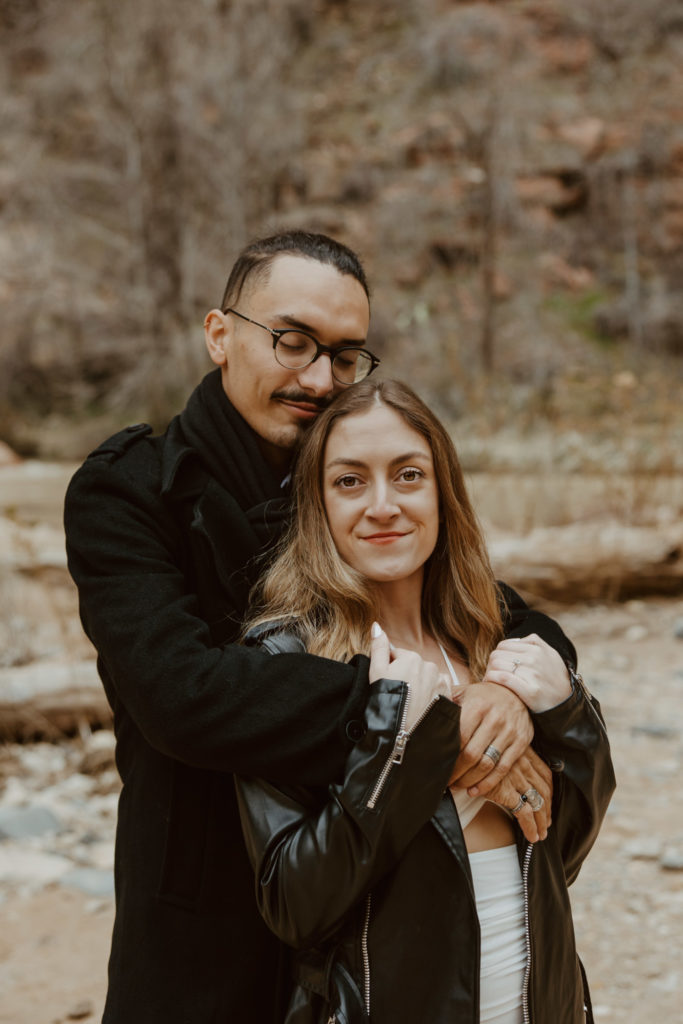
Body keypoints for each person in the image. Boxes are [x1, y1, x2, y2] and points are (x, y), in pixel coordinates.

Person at [64, 231, 577, 1022]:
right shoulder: (131, 490)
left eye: (344, 356)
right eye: (293, 341)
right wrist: (421, 718)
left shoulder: (339, 483)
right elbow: (181, 695)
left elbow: (493, 606)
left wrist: (507, 691)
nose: (317, 378)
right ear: (219, 334)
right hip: (206, 917)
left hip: (362, 899)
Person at [236, 379, 615, 1023]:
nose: (382, 506)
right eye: (349, 481)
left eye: (408, 475)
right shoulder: (283, 660)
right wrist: (398, 743)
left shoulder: (492, 636)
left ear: (443, 493)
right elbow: (295, 905)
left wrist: (563, 714)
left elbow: (564, 849)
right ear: (317, 505)